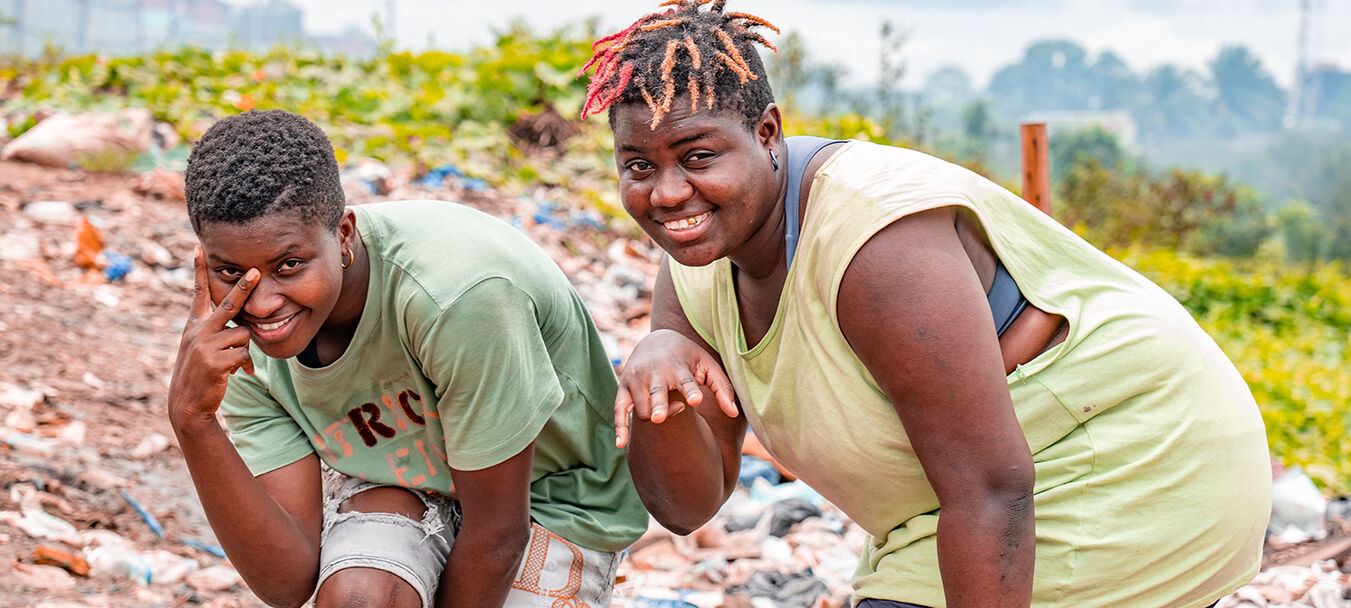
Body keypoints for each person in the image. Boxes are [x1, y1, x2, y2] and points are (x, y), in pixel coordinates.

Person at [578, 2, 1272, 607]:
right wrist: (656, 382)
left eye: (698, 157)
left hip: (1133, 460)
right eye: (639, 166)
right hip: (959, 505)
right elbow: (687, 505)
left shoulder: (875, 244)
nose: (666, 193)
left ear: (767, 134)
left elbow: (992, 490)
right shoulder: (696, 268)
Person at [167, 109, 645, 608]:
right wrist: (192, 419)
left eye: (289, 265)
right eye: (230, 271)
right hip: (399, 485)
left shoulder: (456, 297)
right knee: (358, 598)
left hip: (548, 498)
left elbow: (498, 532)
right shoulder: (236, 339)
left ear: (344, 235)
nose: (263, 303)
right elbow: (287, 581)